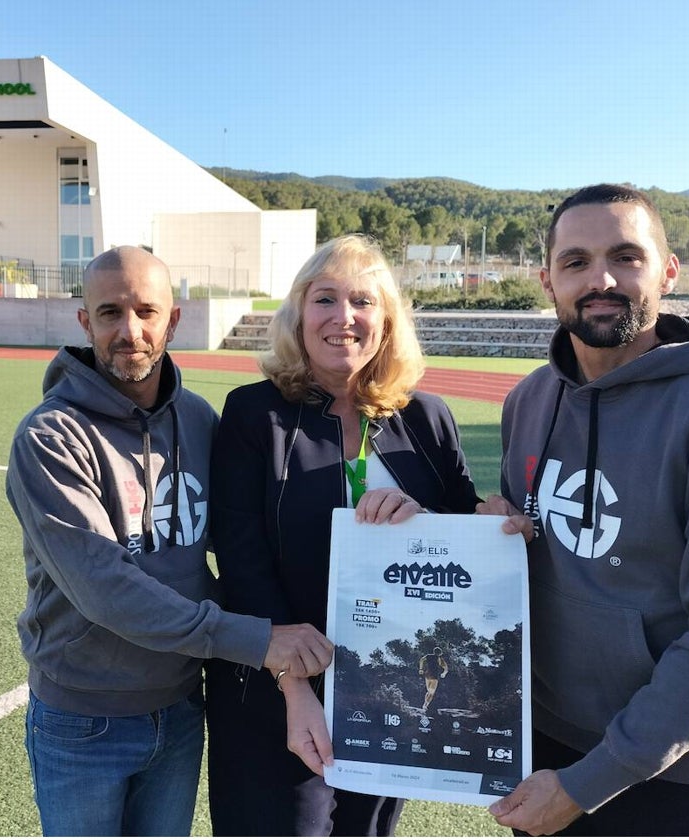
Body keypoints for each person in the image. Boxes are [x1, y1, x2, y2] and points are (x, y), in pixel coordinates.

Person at [479, 184, 689, 836]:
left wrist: (588, 783)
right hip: (547, 750)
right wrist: (495, 532)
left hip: (677, 772)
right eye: (575, 262)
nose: (600, 279)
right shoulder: (530, 401)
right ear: (548, 281)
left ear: (668, 270)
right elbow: (537, 545)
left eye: (626, 257)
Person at [5, 245, 334, 837]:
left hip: (182, 710)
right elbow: (105, 588)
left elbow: (244, 541)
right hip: (84, 718)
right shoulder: (49, 438)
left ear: (172, 320)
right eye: (109, 313)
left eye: (146, 311)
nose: (129, 331)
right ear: (85, 322)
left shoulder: (202, 420)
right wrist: (257, 641)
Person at [204, 233, 484, 836]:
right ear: (299, 315)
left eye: (362, 301)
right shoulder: (255, 414)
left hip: (393, 693)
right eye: (324, 299)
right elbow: (241, 555)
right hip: (275, 691)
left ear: (386, 321)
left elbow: (469, 538)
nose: (343, 317)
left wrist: (477, 520)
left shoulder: (427, 418)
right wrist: (294, 685)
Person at [418, 645, 449, 713]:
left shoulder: (428, 656)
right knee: (431, 693)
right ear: (440, 653)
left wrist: (421, 669)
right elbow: (446, 668)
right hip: (434, 677)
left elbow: (421, 660)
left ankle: (425, 705)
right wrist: (444, 674)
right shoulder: (440, 659)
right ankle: (425, 705)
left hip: (427, 676)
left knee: (429, 691)